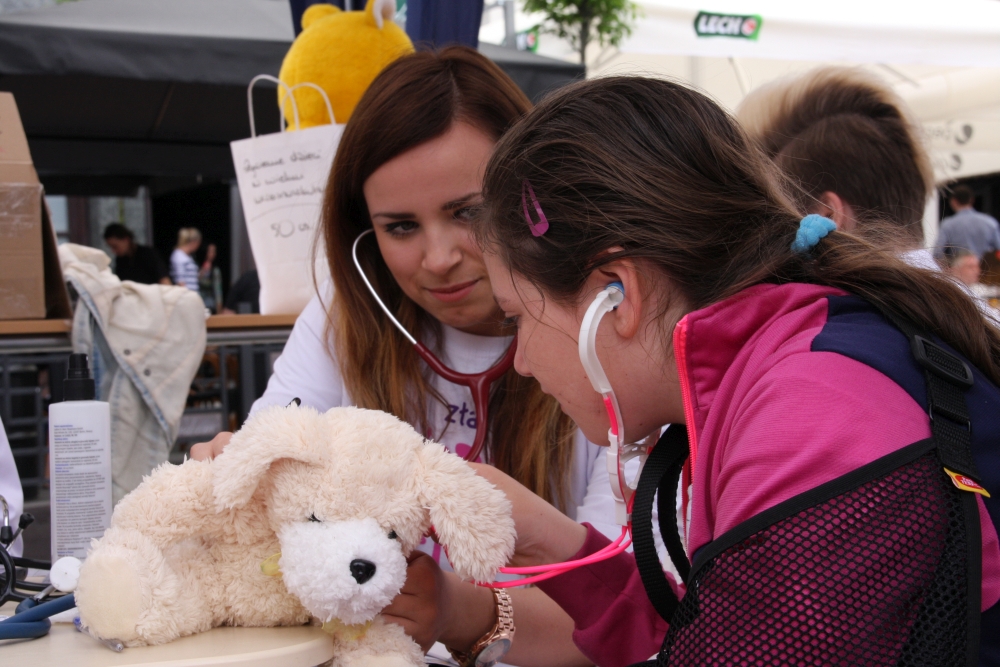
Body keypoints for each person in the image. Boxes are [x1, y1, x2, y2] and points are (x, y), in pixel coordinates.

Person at [468, 76, 1000, 665]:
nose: (521, 363)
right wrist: (540, 538)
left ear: (616, 295)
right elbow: (720, 629)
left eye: (517, 317)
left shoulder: (808, 416)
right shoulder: (789, 362)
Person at [191, 47, 616, 667]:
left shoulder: (608, 338)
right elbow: (269, 502)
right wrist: (238, 478)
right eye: (400, 227)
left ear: (537, 199)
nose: (438, 258)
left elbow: (631, 613)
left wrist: (460, 612)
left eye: (468, 213)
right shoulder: (343, 316)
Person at [737, 67, 938, 269]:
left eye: (779, 234)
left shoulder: (842, 291)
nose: (770, 255)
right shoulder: (948, 287)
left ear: (828, 216)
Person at [935, 184, 1000, 262]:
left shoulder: (948, 225)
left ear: (953, 202)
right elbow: (998, 249)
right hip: (986, 268)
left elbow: (937, 254)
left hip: (960, 268)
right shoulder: (990, 222)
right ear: (972, 200)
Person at [102, 223, 171, 285]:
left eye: (115, 246)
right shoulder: (120, 260)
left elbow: (164, 280)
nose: (113, 251)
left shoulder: (148, 254)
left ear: (126, 240)